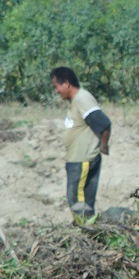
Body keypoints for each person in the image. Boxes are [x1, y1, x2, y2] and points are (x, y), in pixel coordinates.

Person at [50, 67, 112, 222]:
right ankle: (87, 229)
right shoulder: (76, 101)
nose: (56, 91)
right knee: (82, 200)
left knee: (77, 200)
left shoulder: (82, 99)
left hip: (83, 160)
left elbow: (103, 123)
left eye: (56, 86)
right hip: (78, 159)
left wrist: (103, 146)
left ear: (66, 83)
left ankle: (84, 230)